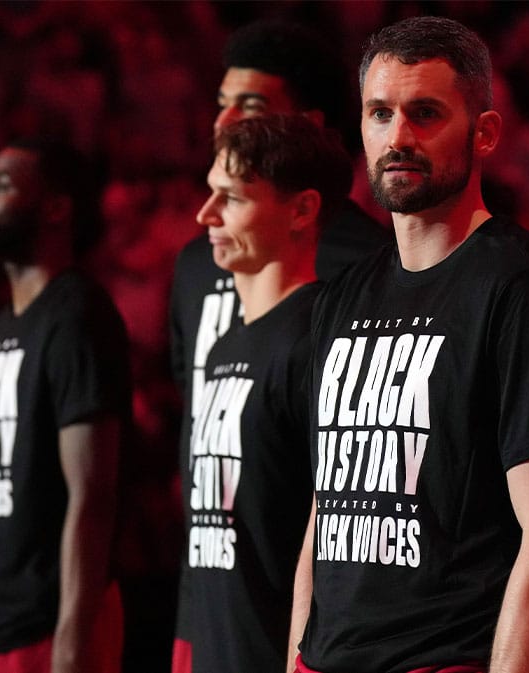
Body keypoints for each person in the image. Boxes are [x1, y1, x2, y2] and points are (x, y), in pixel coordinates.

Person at [289, 17, 529, 673]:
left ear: (484, 133)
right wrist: (296, 656)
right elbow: (326, 509)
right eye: (380, 113)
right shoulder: (343, 296)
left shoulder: (524, 290)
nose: (398, 136)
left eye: (425, 113)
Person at [168, 20, 390, 671]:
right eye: (222, 102)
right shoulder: (196, 263)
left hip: (297, 611)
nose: (227, 120)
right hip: (211, 591)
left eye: (252, 104)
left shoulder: (365, 270)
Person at [0, 140, 132, 673]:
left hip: (39, 629)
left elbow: (93, 494)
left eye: (0, 186)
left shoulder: (77, 315)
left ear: (55, 208)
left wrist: (72, 638)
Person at [178, 114, 352, 673]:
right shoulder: (225, 346)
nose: (205, 214)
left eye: (231, 197)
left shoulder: (318, 340)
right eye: (211, 192)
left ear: (302, 210)